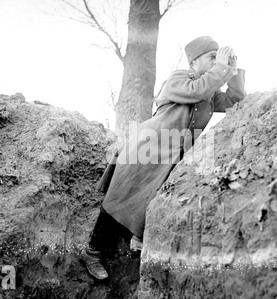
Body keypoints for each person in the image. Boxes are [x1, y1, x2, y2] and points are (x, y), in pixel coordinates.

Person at [80, 36, 246, 280]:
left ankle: (137, 241)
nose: (215, 62)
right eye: (212, 57)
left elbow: (235, 101)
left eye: (217, 58)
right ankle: (92, 252)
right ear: (194, 60)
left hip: (172, 155)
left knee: (152, 198)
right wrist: (220, 69)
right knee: (121, 196)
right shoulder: (180, 78)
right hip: (146, 146)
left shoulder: (210, 92)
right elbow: (197, 90)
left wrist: (232, 71)